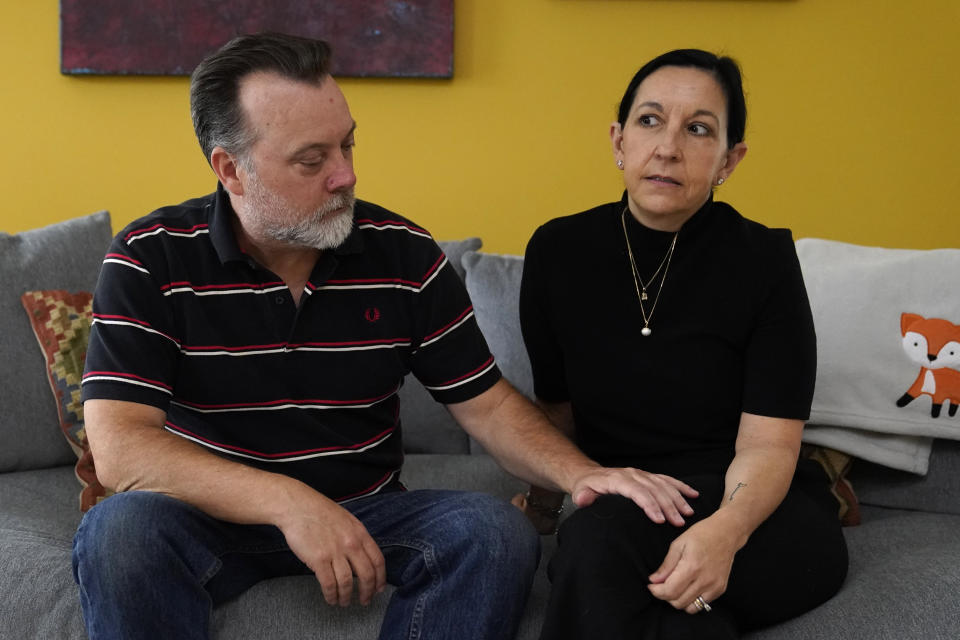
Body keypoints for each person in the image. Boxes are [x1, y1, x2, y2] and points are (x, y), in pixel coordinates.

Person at [73, 32, 682, 640]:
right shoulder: (150, 258)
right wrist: (290, 503)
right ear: (231, 169)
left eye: (348, 144)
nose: (346, 175)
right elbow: (122, 449)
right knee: (120, 531)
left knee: (494, 533)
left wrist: (580, 475)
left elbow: (490, 407)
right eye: (312, 160)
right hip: (203, 515)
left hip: (368, 510)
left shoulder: (405, 256)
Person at [515, 49, 849, 639]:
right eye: (649, 121)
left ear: (730, 159)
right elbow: (558, 409)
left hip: (755, 508)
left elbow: (769, 446)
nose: (667, 147)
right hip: (626, 502)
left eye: (698, 129)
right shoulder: (558, 251)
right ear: (618, 141)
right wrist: (545, 504)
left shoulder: (764, 261)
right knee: (641, 582)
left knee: (596, 557)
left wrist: (722, 536)